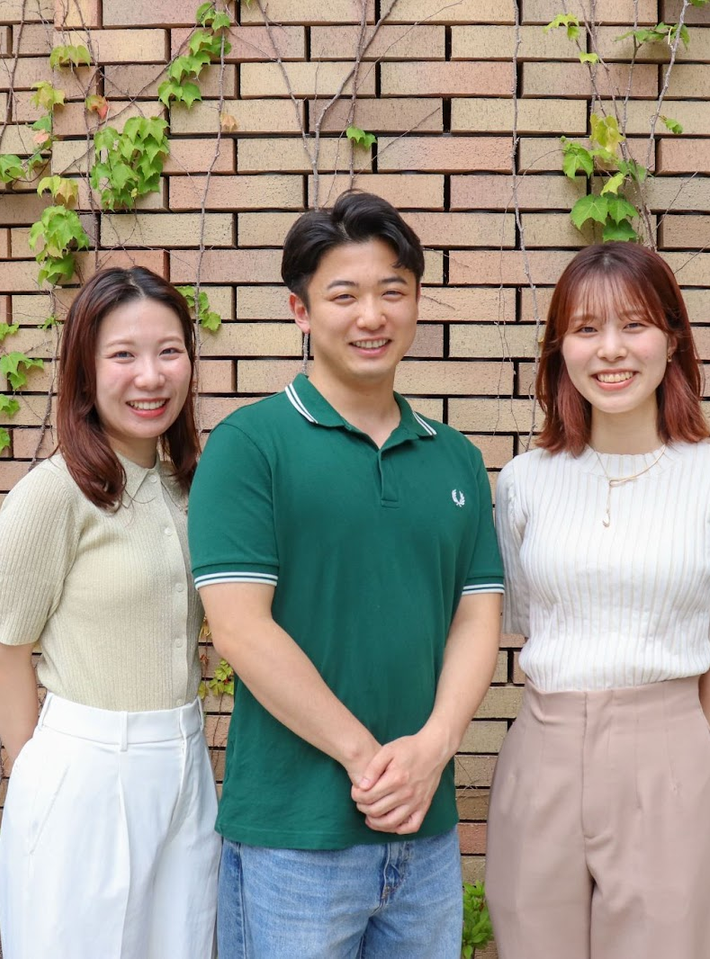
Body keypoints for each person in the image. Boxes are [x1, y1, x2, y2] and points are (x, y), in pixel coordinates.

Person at [187, 190, 504, 958]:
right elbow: (239, 627)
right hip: (294, 837)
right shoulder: (251, 445)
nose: (372, 315)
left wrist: (431, 749)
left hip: (425, 833)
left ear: (416, 302)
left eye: (393, 291)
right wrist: (369, 761)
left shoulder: (456, 458)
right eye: (344, 295)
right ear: (300, 311)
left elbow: (476, 617)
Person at [484, 242, 710, 957]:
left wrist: (683, 752)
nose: (610, 350)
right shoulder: (523, 481)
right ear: (560, 350)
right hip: (541, 749)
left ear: (672, 339)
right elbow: (528, 622)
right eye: (586, 329)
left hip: (669, 750)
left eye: (634, 325)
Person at [0, 266, 218, 958]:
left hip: (186, 763)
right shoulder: (51, 496)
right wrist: (47, 778)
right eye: (123, 355)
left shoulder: (189, 489)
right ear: (84, 371)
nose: (151, 376)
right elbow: (3, 653)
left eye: (169, 351)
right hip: (86, 769)